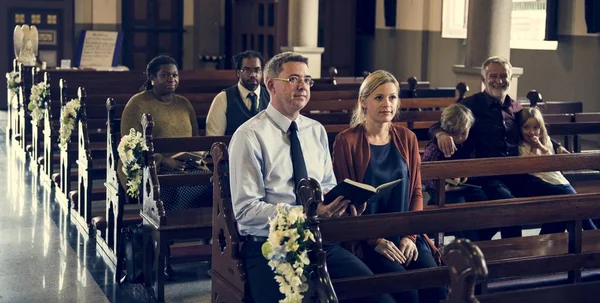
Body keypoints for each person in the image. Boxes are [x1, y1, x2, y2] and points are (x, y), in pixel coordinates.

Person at [228, 52, 395, 303]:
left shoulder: (315, 131)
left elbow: (326, 186)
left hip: (319, 243)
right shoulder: (249, 135)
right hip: (270, 246)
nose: (303, 86)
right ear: (271, 84)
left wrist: (343, 203)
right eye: (293, 79)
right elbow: (246, 211)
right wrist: (307, 212)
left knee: (378, 297)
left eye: (307, 80)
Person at [332, 70, 447, 303]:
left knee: (436, 284)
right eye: (379, 97)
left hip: (406, 232)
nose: (387, 104)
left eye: (392, 97)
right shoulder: (347, 141)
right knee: (408, 292)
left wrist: (410, 236)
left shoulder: (407, 138)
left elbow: (416, 192)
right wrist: (375, 241)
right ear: (363, 101)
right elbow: (345, 203)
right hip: (368, 238)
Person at [428, 56, 569, 240]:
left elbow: (534, 130)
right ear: (484, 79)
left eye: (503, 76)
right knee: (511, 209)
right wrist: (441, 134)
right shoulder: (470, 105)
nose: (498, 80)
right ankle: (511, 257)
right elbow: (436, 126)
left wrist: (557, 147)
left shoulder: (516, 107)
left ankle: (544, 247)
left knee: (563, 199)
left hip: (517, 173)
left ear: (510, 79)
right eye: (493, 76)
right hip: (488, 177)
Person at [518, 107, 597, 234]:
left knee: (563, 210)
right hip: (539, 181)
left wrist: (541, 146)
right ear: (520, 128)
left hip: (557, 178)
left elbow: (551, 160)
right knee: (573, 202)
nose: (531, 132)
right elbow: (530, 165)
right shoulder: (521, 146)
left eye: (535, 128)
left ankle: (546, 242)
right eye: (526, 127)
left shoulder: (546, 140)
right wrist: (533, 148)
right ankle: (592, 232)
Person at [205, 50, 270, 136]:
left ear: (262, 73)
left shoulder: (271, 96)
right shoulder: (223, 98)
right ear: (238, 73)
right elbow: (214, 138)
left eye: (257, 70)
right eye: (247, 70)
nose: (253, 75)